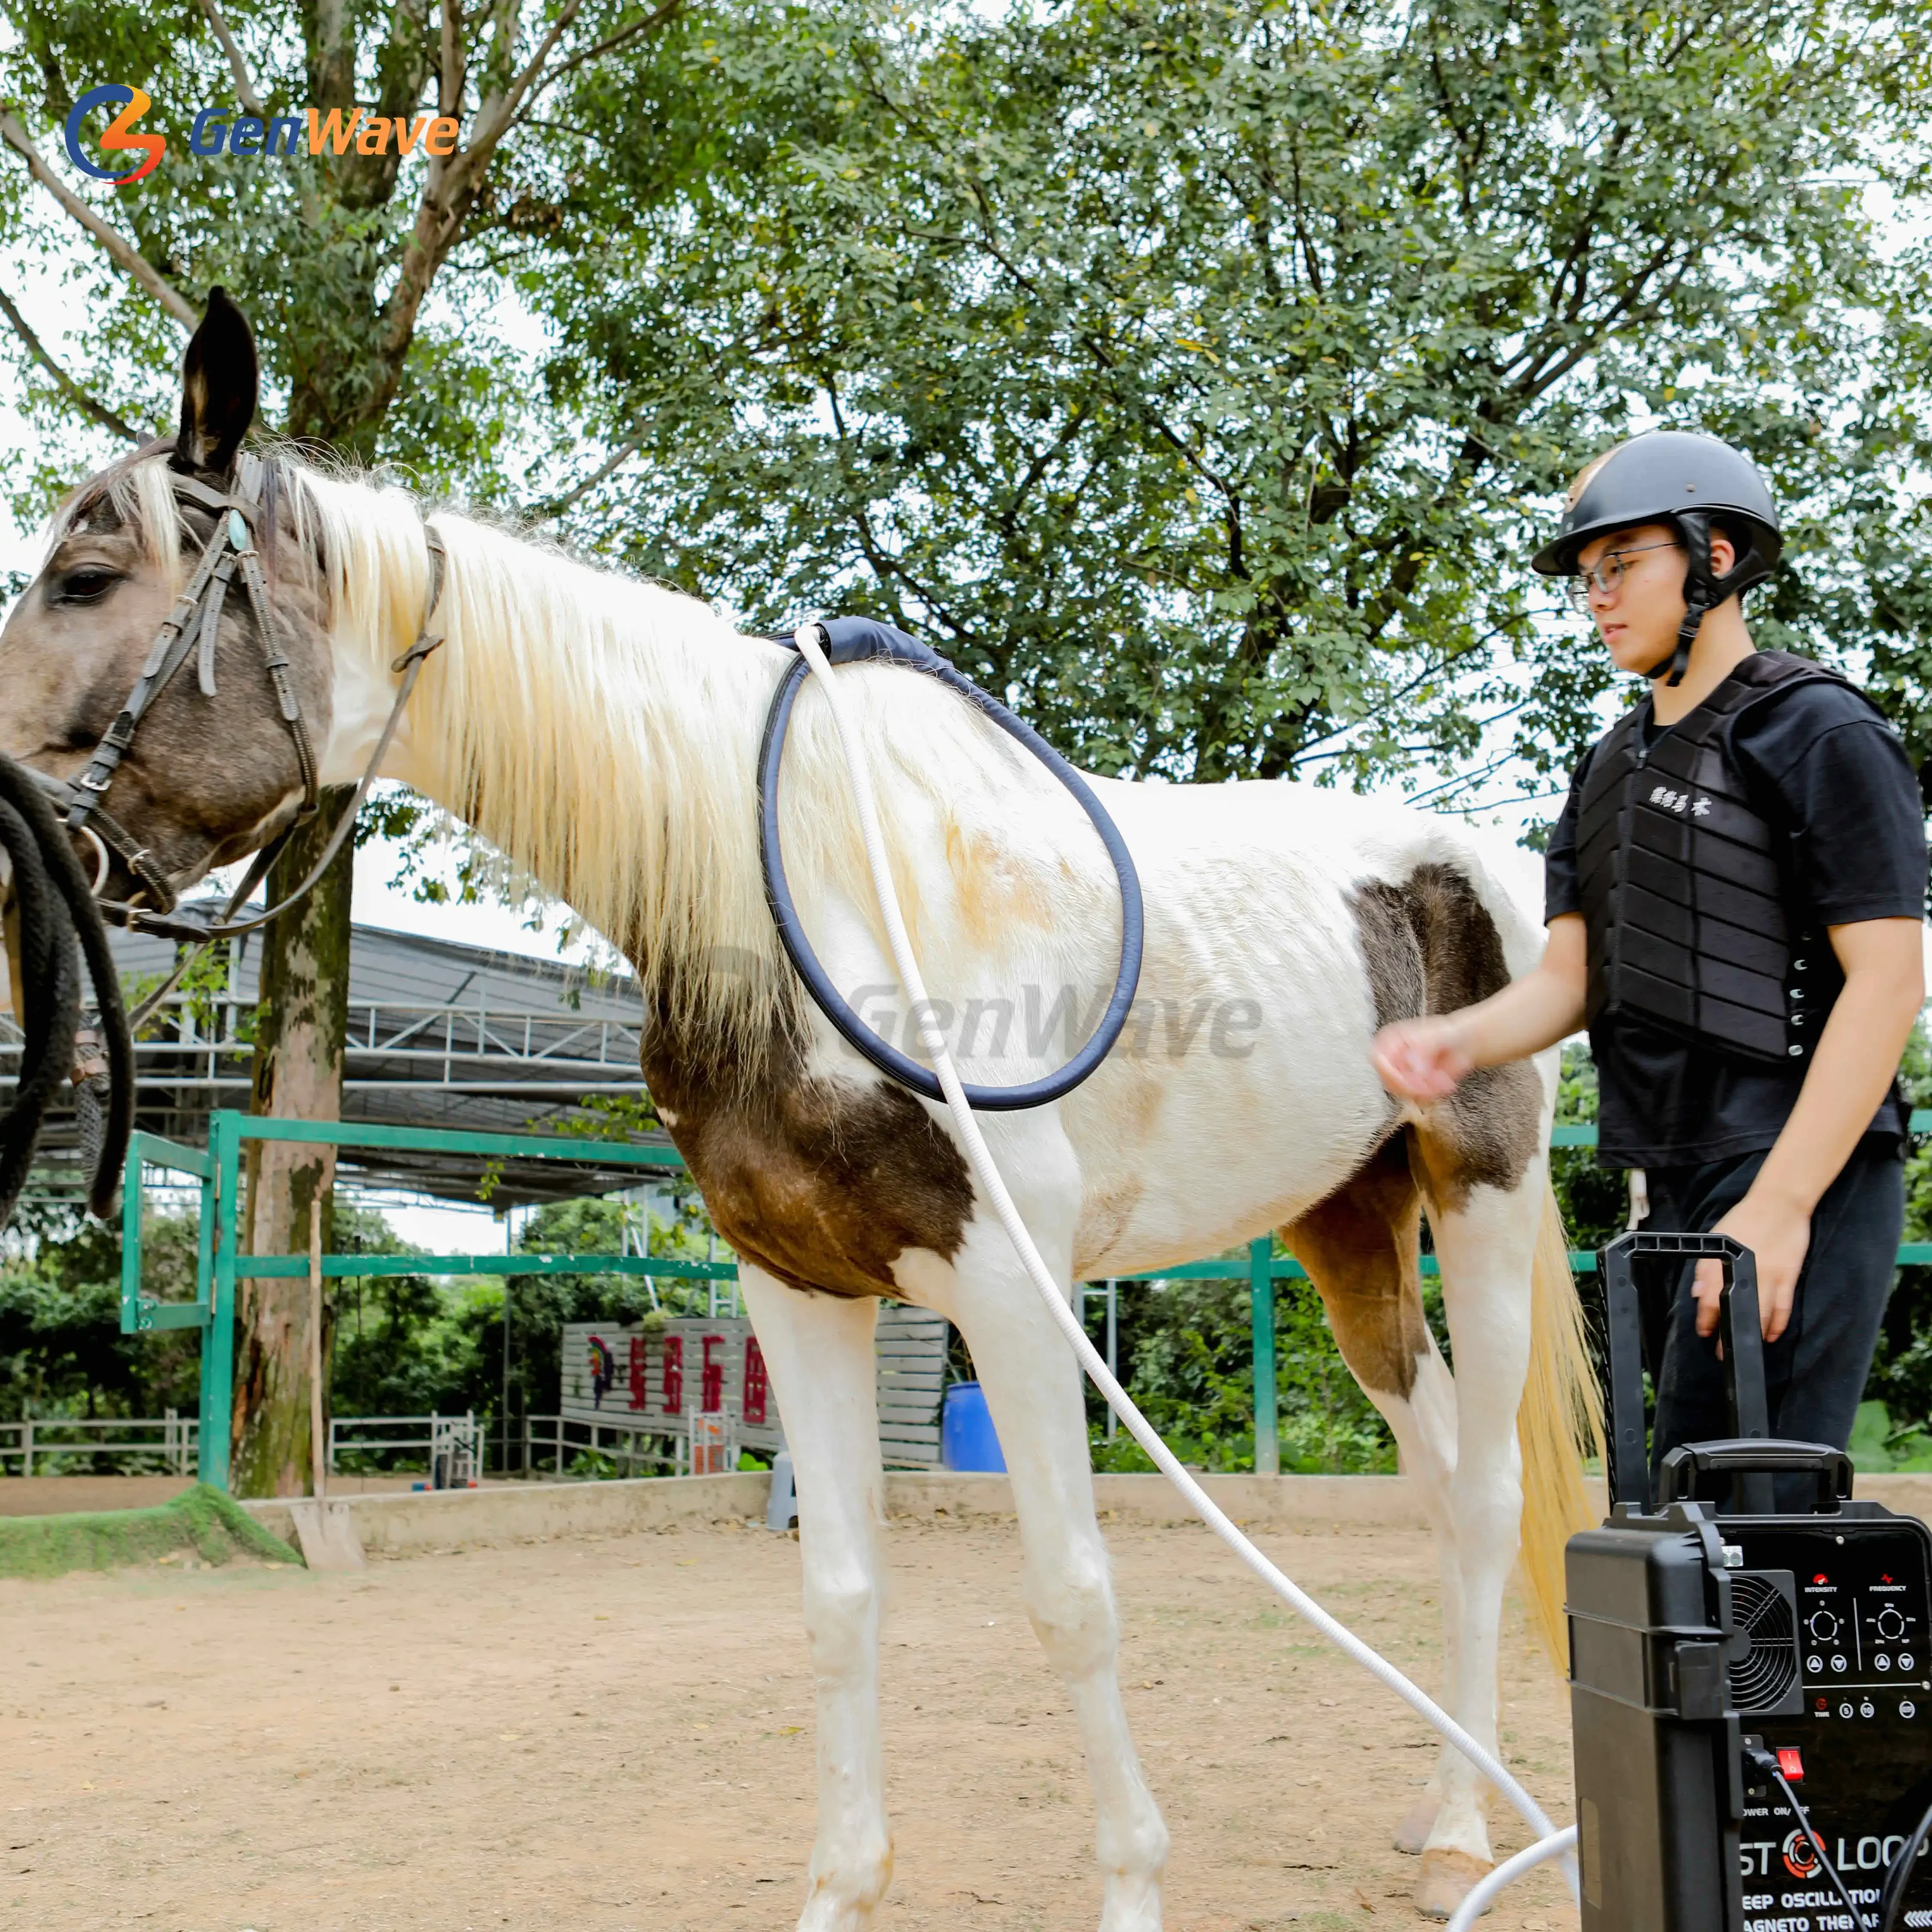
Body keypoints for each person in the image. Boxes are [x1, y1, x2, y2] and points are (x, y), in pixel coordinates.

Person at [1371, 430, 1926, 1503]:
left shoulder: (1817, 730)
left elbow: (1889, 980)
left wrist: (1780, 1202)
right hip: (1673, 1179)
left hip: (1798, 1161)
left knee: (1766, 1523)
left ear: (1711, 556)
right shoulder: (1608, 768)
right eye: (1587, 574)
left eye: (1620, 561)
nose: (1597, 594)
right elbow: (1570, 981)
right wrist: (1451, 1037)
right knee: (1676, 1514)